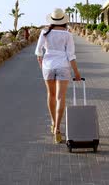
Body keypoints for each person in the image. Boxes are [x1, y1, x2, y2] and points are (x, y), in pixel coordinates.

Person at [35, 8, 82, 144]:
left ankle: (53, 123)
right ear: (64, 20)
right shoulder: (67, 34)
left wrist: (42, 65)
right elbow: (71, 55)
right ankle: (57, 129)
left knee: (51, 95)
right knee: (61, 97)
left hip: (48, 67)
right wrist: (77, 73)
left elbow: (38, 52)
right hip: (63, 66)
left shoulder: (44, 32)